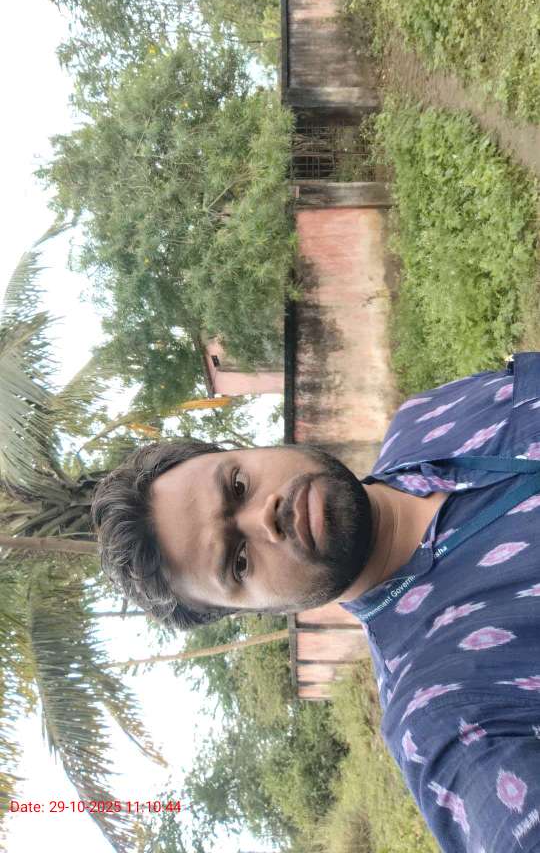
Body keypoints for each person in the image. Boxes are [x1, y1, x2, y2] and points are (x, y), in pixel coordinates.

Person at [92, 351, 540, 853]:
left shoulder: (424, 418)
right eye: (238, 561)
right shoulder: (438, 710)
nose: (264, 517)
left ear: (251, 449)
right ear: (254, 612)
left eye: (237, 485)